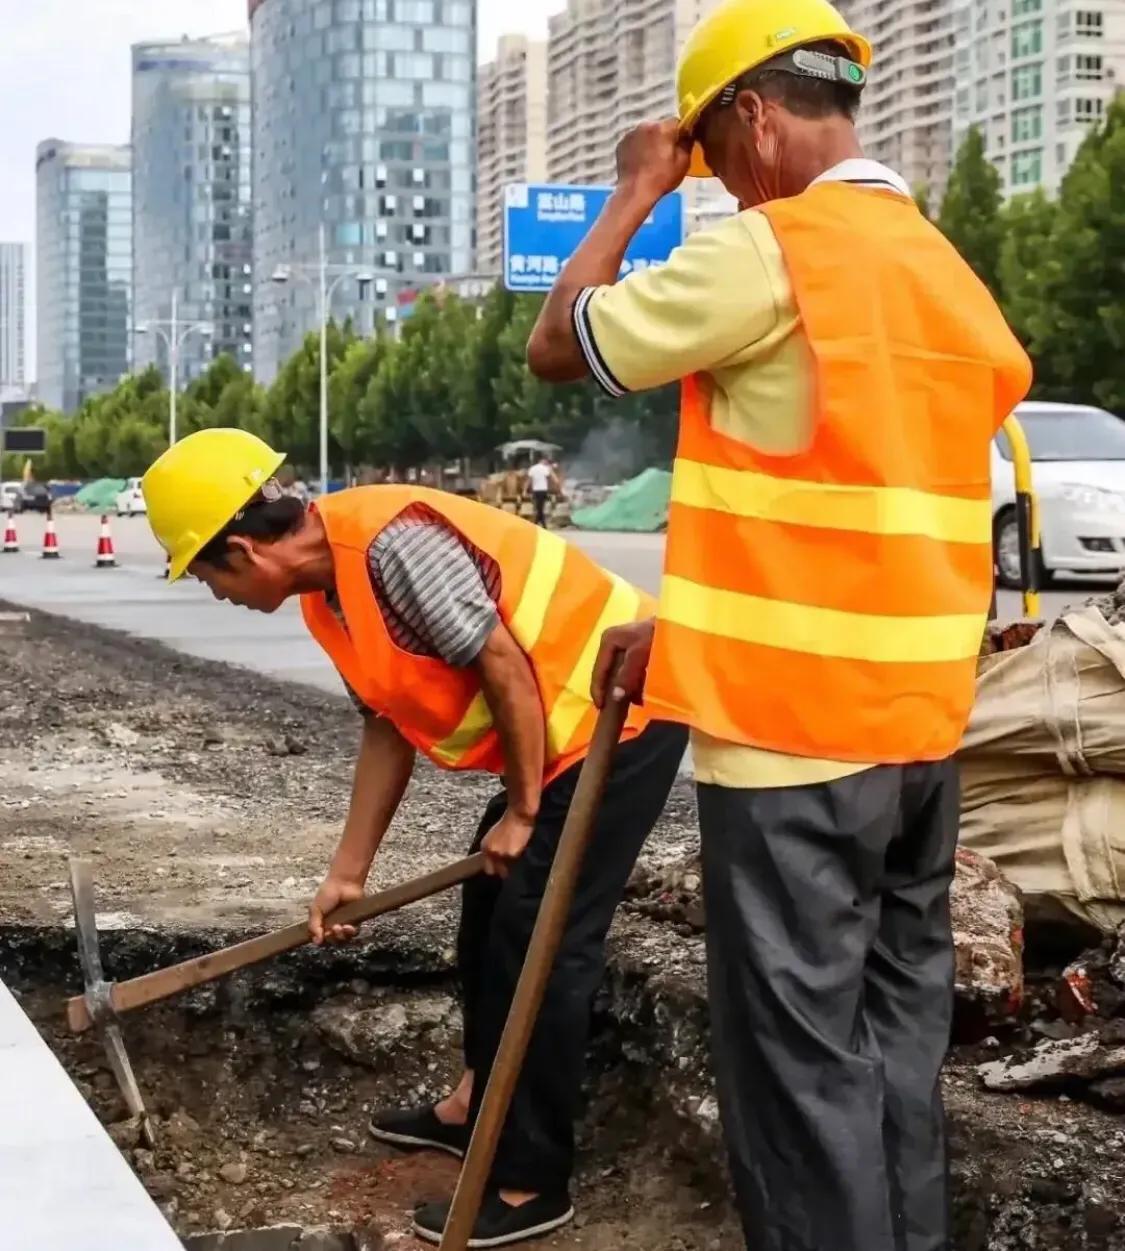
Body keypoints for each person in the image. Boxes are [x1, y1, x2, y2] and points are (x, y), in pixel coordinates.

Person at [525, 1, 1033, 1248]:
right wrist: (686, 631)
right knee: (891, 1066)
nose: (717, 185)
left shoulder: (776, 255)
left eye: (708, 153)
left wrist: (640, 190)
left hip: (792, 755)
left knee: (800, 1088)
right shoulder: (939, 268)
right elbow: (840, 507)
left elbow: (558, 342)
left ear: (748, 119)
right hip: (917, 744)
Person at [140, 429, 687, 1248]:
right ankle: (476, 1103)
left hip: (619, 715)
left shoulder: (391, 545)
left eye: (205, 574)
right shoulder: (331, 595)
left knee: (538, 938)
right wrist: (347, 873)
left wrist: (526, 812)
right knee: (487, 903)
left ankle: (532, 1177)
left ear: (247, 552)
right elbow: (387, 731)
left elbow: (501, 661)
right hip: (558, 735)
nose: (213, 594)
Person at [526, 455, 554, 528]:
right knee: (540, 507)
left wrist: (525, 490)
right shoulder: (545, 468)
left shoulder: (532, 468)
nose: (546, 462)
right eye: (545, 461)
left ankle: (538, 523)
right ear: (542, 460)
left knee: (538, 507)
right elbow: (549, 478)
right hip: (543, 490)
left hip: (536, 490)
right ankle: (542, 525)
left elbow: (529, 480)